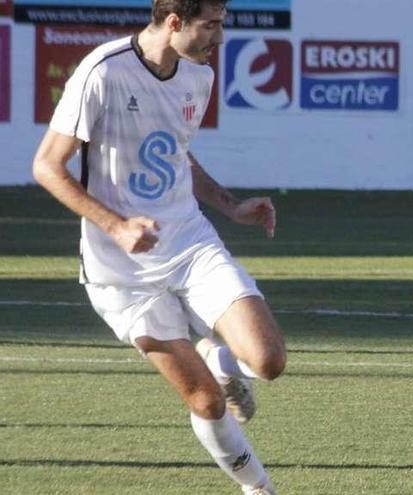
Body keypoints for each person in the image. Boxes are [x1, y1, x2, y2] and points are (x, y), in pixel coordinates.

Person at [31, 1, 285, 493]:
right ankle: (259, 488)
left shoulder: (199, 76)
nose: (220, 38)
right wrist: (117, 225)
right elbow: (46, 166)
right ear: (174, 23)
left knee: (269, 362)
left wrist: (230, 207)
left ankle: (222, 356)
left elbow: (176, 151)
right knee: (208, 401)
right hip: (121, 272)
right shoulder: (102, 71)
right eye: (210, 26)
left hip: (190, 242)